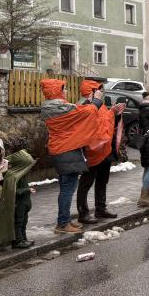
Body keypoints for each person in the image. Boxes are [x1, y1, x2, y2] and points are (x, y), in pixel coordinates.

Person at [40, 79, 104, 234]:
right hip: (66, 150)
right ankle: (62, 224)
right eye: (64, 88)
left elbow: (78, 112)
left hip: (61, 149)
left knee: (65, 188)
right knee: (67, 190)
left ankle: (65, 220)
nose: (66, 91)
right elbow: (87, 112)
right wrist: (97, 100)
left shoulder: (51, 106)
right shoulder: (61, 107)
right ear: (57, 90)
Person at [75, 80, 124, 224]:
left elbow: (106, 124)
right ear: (91, 91)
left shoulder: (100, 105)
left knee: (102, 181)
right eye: (99, 90)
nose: (101, 92)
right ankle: (83, 213)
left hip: (105, 149)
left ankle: (100, 209)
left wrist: (114, 113)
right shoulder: (84, 105)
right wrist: (111, 114)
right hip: (92, 151)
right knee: (86, 183)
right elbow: (89, 126)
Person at [0, 142, 37, 249]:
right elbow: (10, 192)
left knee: (24, 222)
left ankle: (23, 238)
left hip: (25, 203)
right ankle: (18, 241)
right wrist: (27, 190)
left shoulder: (20, 173)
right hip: (18, 204)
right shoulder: (11, 175)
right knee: (18, 222)